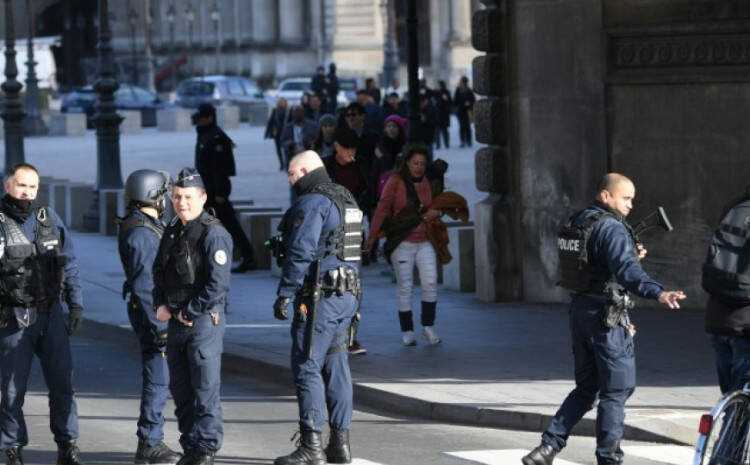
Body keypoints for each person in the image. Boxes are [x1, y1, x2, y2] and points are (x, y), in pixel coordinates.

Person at [522, 173, 686, 465]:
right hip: (606, 319)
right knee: (616, 390)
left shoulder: (579, 220)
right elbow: (627, 272)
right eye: (626, 198)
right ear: (605, 195)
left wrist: (628, 255)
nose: (631, 205)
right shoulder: (612, 229)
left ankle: (547, 448)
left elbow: (593, 266)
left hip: (581, 313)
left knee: (586, 388)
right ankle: (609, 459)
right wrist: (658, 292)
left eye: (633, 199)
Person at [272, 151, 361, 465]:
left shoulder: (312, 202)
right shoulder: (344, 197)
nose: (291, 180)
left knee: (307, 364)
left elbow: (301, 250)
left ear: (307, 170)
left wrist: (285, 293)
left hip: (319, 296)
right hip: (347, 294)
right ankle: (340, 444)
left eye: (294, 174)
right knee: (337, 366)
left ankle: (311, 446)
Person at [0, 163, 85, 465]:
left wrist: (75, 304)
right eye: (22, 185)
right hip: (13, 319)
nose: (27, 192)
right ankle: (12, 448)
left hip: (51, 314)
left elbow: (69, 263)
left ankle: (68, 445)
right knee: (12, 391)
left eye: (33, 187)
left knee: (63, 386)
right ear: (7, 185)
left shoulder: (48, 219)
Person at [153, 168, 232, 465]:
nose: (181, 202)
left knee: (205, 388)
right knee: (181, 389)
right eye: (176, 196)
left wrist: (190, 310)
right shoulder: (173, 229)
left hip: (202, 322)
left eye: (187, 197)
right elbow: (158, 271)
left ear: (202, 197)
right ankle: (190, 445)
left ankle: (206, 448)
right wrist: (160, 303)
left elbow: (217, 285)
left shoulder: (214, 234)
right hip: (176, 320)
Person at [117, 170, 182, 465]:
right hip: (152, 314)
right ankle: (149, 442)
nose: (167, 200)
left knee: (161, 375)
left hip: (153, 311)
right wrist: (160, 327)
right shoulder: (142, 233)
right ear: (154, 194)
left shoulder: (144, 225)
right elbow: (145, 285)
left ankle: (153, 439)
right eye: (164, 194)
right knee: (158, 376)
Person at [365, 145, 443, 346]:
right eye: (415, 163)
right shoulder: (395, 181)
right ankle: (407, 330)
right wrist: (372, 236)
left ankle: (428, 326)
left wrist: (438, 212)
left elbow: (439, 205)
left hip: (425, 241)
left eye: (422, 164)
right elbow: (382, 209)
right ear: (407, 162)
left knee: (430, 283)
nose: (418, 167)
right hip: (402, 242)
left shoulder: (429, 182)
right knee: (405, 286)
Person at [193, 103, 255, 273]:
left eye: (201, 117)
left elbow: (220, 169)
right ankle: (203, 258)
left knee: (229, 224)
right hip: (206, 190)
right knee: (208, 224)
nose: (197, 121)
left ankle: (248, 257)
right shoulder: (205, 135)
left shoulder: (216, 138)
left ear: (209, 118)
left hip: (216, 191)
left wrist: (220, 192)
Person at [702, 189, 750, 394]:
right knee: (742, 398)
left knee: (730, 395)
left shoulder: (733, 208)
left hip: (717, 318)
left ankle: (727, 421)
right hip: (745, 325)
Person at [265, 97, 290, 170]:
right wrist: (268, 133)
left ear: (285, 103)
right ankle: (282, 164)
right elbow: (271, 121)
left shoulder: (288, 111)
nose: (281, 103)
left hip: (286, 132)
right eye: (280, 102)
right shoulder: (275, 110)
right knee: (278, 149)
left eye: (283, 102)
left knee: (286, 149)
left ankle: (286, 163)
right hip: (277, 133)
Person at [453, 76, 475, 148]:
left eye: (462, 81)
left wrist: (469, 103)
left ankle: (468, 141)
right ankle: (462, 141)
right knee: (462, 126)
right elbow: (455, 101)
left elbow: (473, 100)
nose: (462, 83)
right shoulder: (458, 90)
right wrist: (462, 103)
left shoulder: (469, 90)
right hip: (460, 111)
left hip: (467, 111)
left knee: (467, 127)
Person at [434, 80, 452, 150]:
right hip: (439, 114)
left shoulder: (446, 92)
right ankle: (439, 144)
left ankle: (446, 144)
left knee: (443, 130)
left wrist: (446, 99)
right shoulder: (436, 93)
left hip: (443, 114)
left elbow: (450, 102)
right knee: (438, 131)